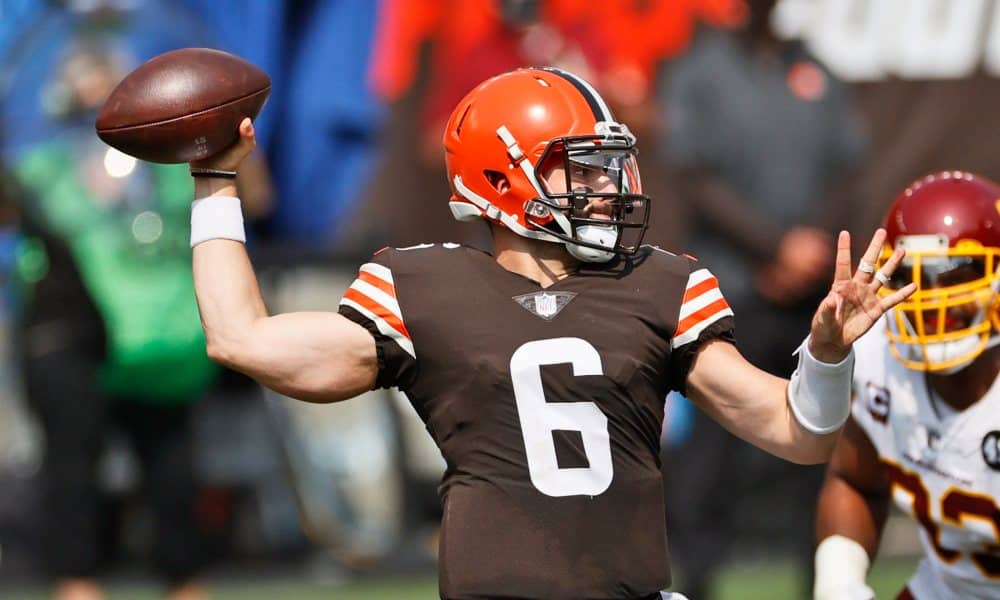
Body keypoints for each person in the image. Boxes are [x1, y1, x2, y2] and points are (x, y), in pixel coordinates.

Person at [185, 66, 913, 600]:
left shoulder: (657, 283)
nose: (612, 187)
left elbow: (800, 432)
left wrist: (825, 353)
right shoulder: (424, 289)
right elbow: (240, 337)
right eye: (583, 170)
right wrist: (215, 183)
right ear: (504, 181)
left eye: (611, 167)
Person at [656, 0, 869, 594]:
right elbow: (693, 178)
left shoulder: (815, 69)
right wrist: (774, 248)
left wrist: (808, 249)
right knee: (711, 461)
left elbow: (847, 169)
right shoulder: (698, 70)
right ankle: (695, 585)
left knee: (821, 452)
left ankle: (824, 586)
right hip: (732, 298)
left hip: (809, 304)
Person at [813, 170, 1000, 600]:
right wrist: (840, 583)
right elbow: (855, 481)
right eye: (913, 277)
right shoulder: (878, 355)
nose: (933, 300)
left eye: (956, 276)